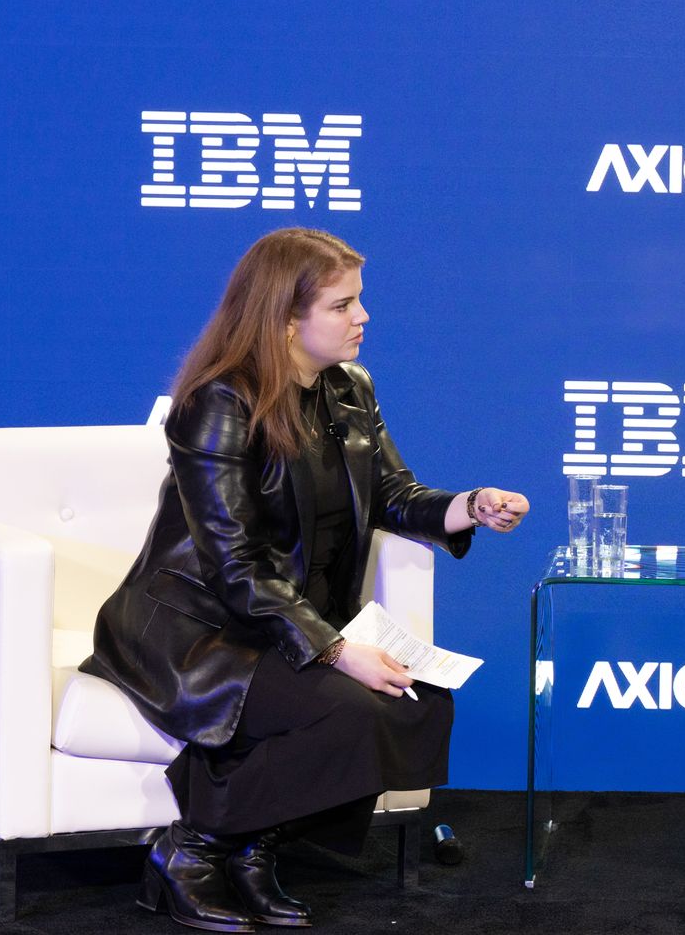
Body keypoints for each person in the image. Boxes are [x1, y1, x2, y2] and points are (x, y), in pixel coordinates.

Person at [81, 228, 529, 932]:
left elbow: (392, 493)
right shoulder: (217, 403)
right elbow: (233, 565)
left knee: (421, 702)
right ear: (285, 318)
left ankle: (255, 846)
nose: (364, 317)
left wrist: (467, 506)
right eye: (343, 304)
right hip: (202, 629)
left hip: (292, 621)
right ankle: (194, 849)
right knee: (351, 708)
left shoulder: (350, 388)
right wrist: (335, 649)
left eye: (360, 301)